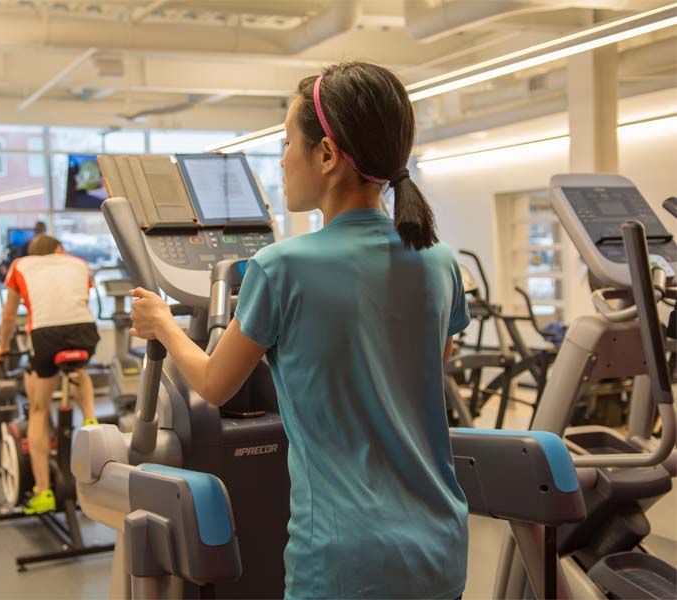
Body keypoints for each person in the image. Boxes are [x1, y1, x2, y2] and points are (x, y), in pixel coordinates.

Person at [128, 62, 470, 599]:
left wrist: (164, 325)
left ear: (328, 156)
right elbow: (431, 361)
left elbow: (216, 385)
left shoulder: (280, 267)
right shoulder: (439, 261)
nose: (283, 160)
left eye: (288, 143)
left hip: (343, 559)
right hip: (440, 547)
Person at [0, 234, 100, 515]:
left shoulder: (20, 265)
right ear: (59, 249)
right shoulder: (77, 263)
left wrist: (1, 347)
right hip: (85, 331)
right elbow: (79, 298)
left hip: (45, 335)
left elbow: (8, 315)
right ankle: (90, 417)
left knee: (39, 409)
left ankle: (43, 491)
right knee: (78, 370)